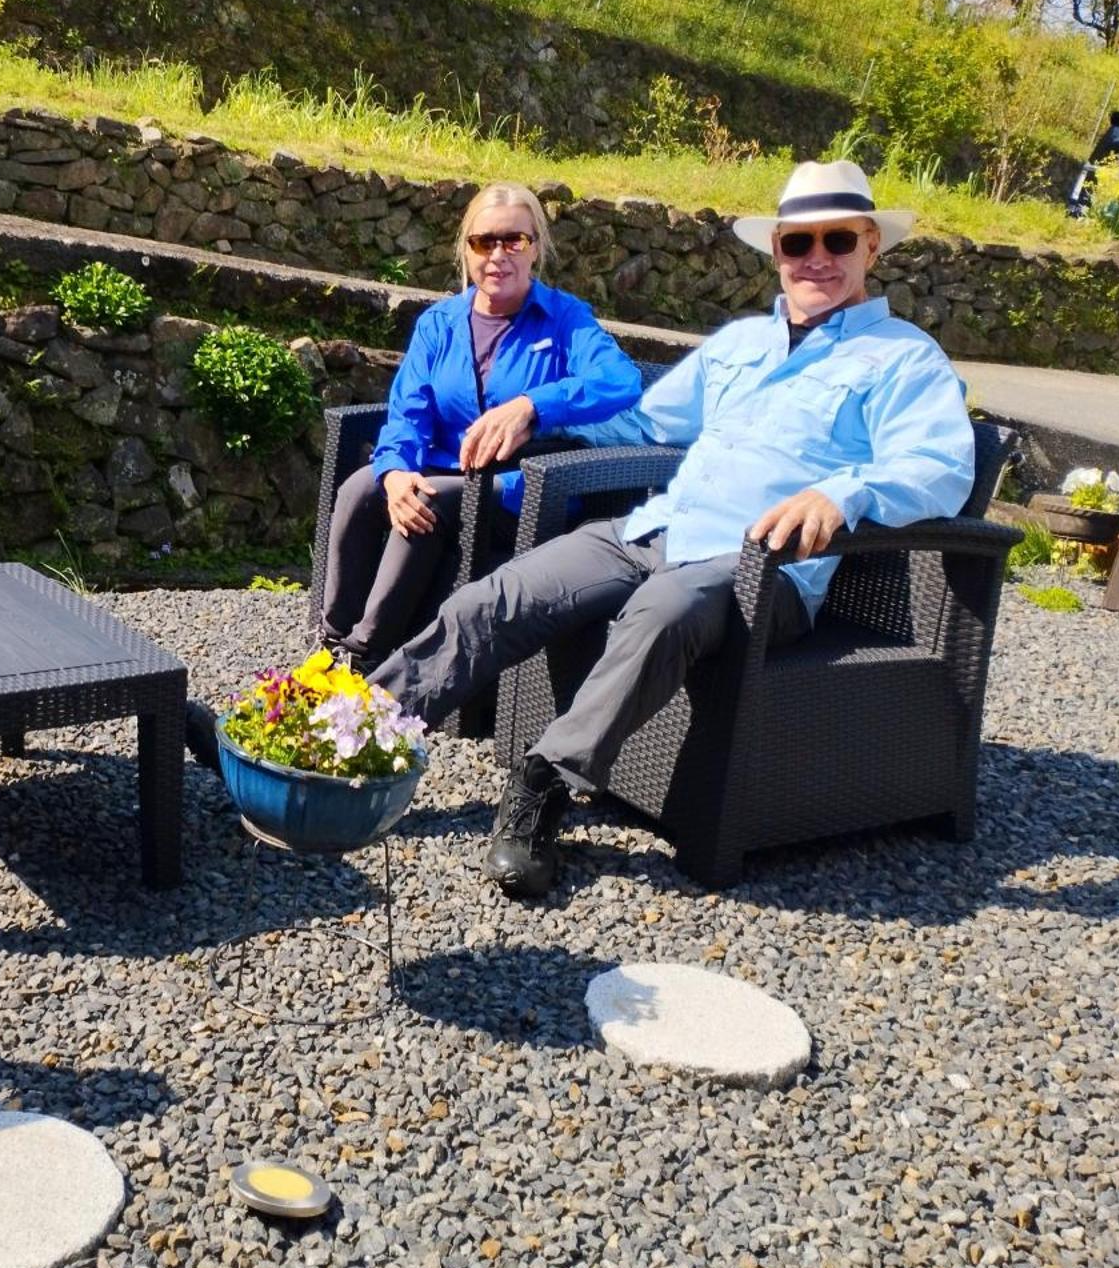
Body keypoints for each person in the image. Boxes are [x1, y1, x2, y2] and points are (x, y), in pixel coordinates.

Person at [187, 160, 977, 902]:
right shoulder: (742, 345)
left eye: (839, 239)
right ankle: (338, 739)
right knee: (490, 601)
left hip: (759, 566)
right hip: (658, 527)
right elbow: (638, 419)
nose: (817, 257)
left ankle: (543, 784)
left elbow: (943, 468)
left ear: (872, 245)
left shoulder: (904, 360)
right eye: (799, 241)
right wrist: (537, 413)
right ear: (777, 249)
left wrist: (843, 494)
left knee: (658, 611)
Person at [317, 182, 641, 669]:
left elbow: (621, 381)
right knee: (361, 489)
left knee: (428, 501)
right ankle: (331, 644)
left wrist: (534, 405)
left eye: (515, 240)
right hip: (441, 466)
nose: (498, 255)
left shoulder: (564, 320)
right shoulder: (439, 324)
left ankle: (367, 661)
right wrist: (395, 472)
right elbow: (408, 410)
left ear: (537, 248)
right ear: (466, 250)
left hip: (523, 486)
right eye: (484, 241)